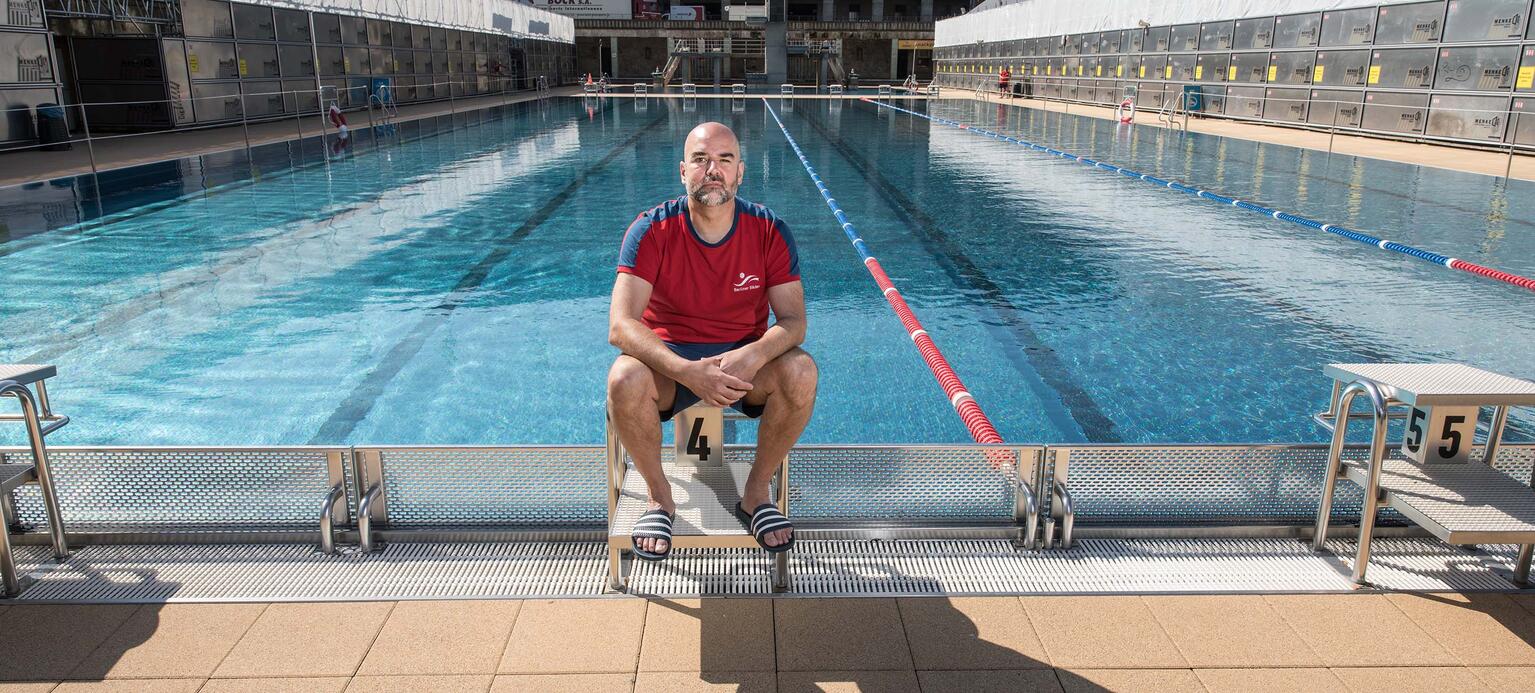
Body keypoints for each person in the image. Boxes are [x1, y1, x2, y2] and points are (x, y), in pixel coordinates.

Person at [607, 122, 817, 561]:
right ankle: (659, 499)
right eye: (701, 160)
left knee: (800, 370)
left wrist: (753, 355)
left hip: (744, 367)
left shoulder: (769, 230)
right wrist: (686, 371)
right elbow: (621, 326)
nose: (713, 170)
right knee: (623, 378)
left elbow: (794, 322)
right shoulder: (651, 230)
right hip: (670, 367)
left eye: (724, 159)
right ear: (683, 171)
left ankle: (756, 495)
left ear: (740, 171)